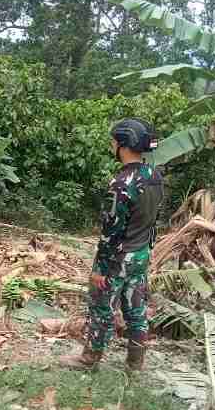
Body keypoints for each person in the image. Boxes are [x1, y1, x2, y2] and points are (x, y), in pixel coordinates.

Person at [60, 118, 163, 372]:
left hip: (118, 258)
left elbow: (110, 232)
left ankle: (89, 359)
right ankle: (135, 363)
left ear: (123, 144)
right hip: (141, 254)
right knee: (136, 310)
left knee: (101, 309)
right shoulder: (154, 176)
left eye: (114, 141)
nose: (111, 144)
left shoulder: (122, 184)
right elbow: (153, 218)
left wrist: (99, 269)